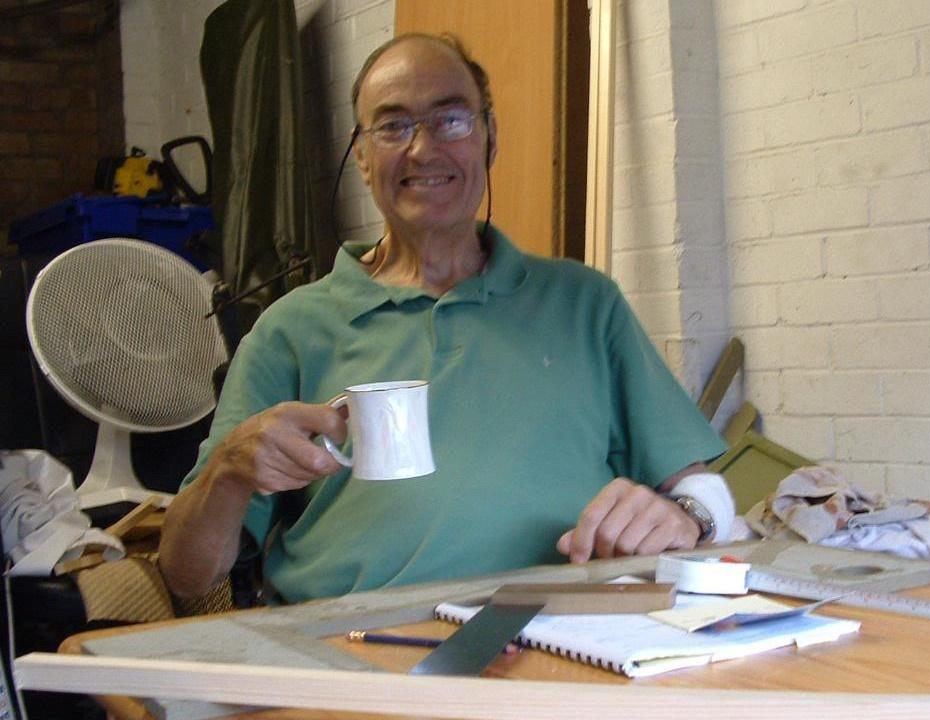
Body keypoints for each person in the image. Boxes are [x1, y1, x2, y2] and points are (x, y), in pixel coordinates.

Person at [159, 33, 731, 605]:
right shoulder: (290, 331)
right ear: (360, 155)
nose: (422, 149)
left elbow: (700, 491)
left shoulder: (585, 303)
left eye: (451, 119)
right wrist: (230, 471)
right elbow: (187, 576)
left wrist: (688, 517)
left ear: (490, 137)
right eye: (393, 126)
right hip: (356, 650)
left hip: (562, 636)